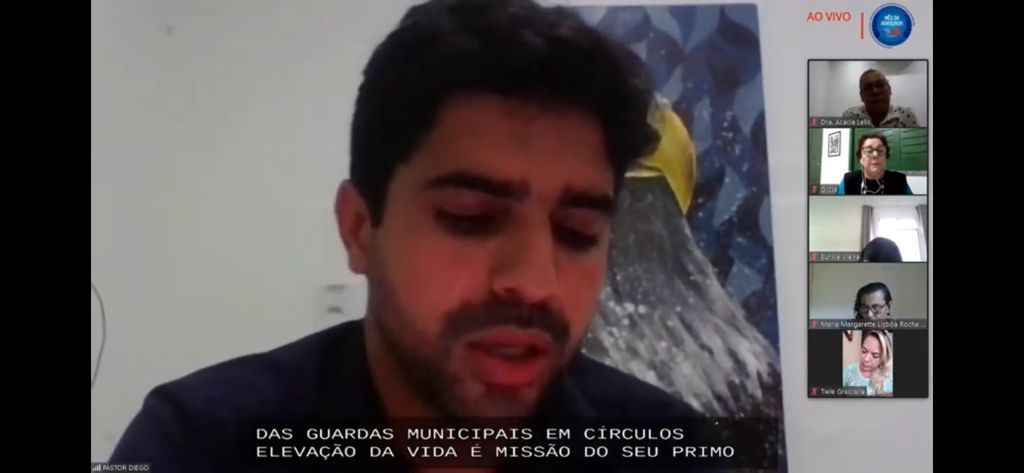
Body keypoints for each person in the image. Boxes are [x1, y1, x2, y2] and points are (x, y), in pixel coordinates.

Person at [109, 0, 698, 470]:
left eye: (577, 232)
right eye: (470, 218)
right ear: (359, 228)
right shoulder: (201, 443)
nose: (534, 282)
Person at [837, 134, 913, 195]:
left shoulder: (899, 180)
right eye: (869, 151)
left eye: (880, 150)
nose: (875, 155)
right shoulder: (848, 180)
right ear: (860, 158)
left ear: (886, 157)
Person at [841, 69, 919, 128]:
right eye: (868, 87)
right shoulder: (850, 116)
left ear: (890, 90)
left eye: (880, 85)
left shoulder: (905, 115)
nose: (875, 91)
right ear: (862, 96)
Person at [842, 330, 894, 397]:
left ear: (884, 359)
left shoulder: (889, 380)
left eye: (875, 355)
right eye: (864, 351)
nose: (866, 359)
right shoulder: (848, 371)